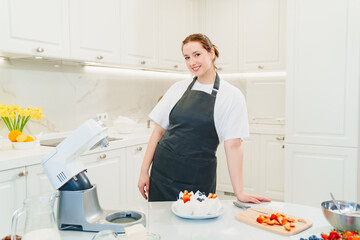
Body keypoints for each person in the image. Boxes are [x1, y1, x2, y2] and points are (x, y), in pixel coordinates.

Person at [137, 33, 270, 203]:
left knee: (197, 228)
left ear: (211, 53)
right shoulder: (178, 88)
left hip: (198, 179)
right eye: (187, 57)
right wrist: (143, 172)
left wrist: (240, 192)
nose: (192, 62)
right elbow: (158, 131)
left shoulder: (231, 96)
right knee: (160, 225)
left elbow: (234, 146)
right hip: (163, 174)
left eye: (197, 54)